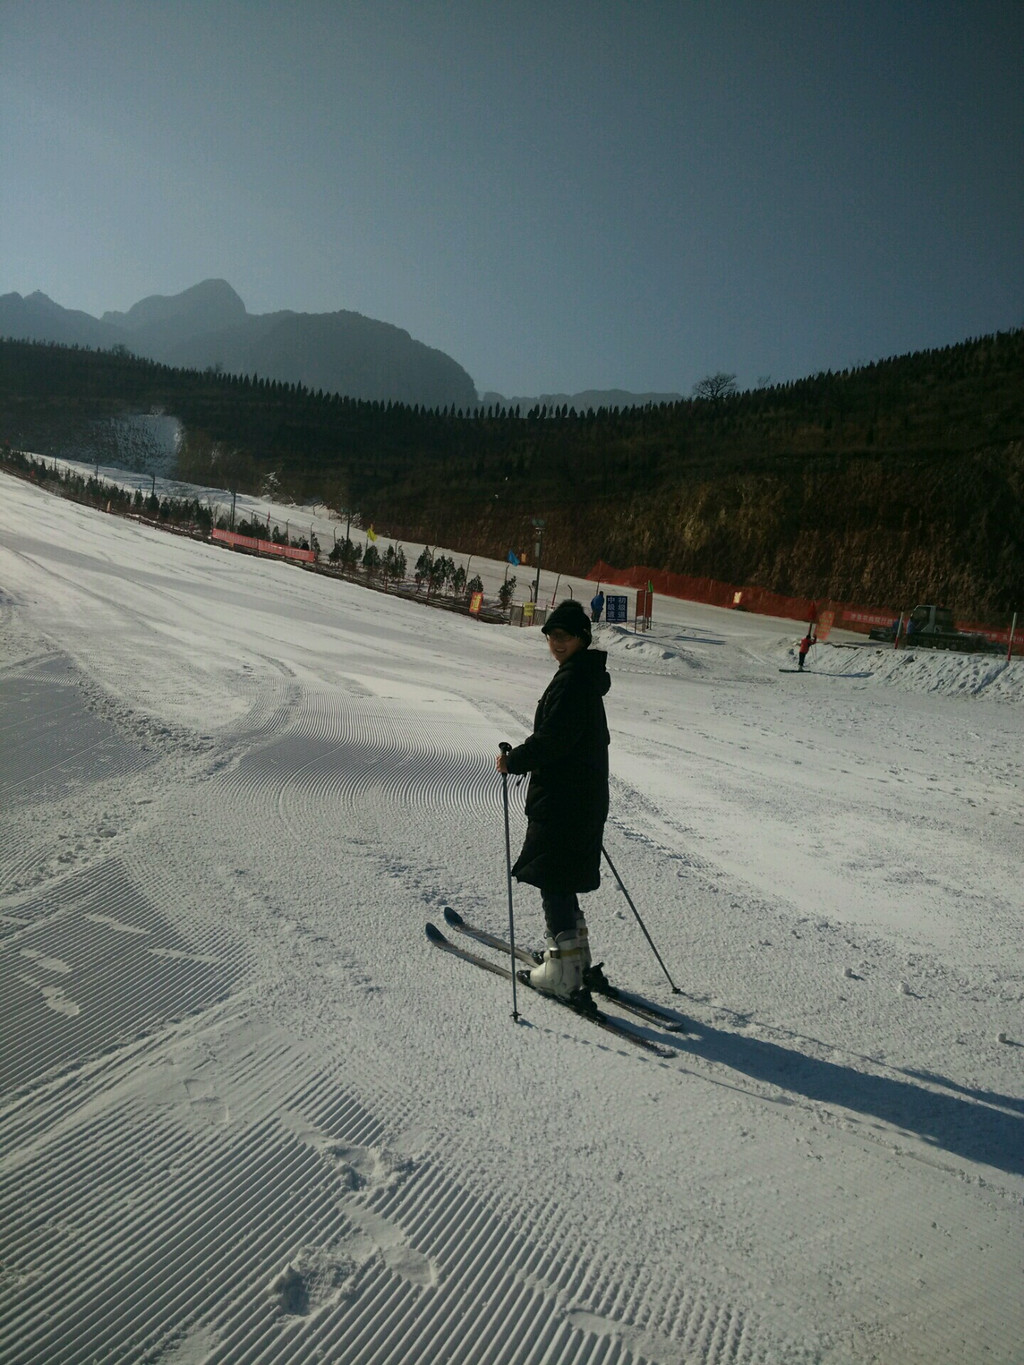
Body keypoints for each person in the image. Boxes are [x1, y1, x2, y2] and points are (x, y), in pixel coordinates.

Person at [496, 599, 611, 1000]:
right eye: (551, 636)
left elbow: (555, 739)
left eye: (564, 636)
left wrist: (515, 760)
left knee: (553, 878)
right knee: (561, 877)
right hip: (580, 797)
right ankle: (574, 955)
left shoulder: (573, 681)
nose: (556, 643)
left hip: (565, 800)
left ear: (582, 638)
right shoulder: (582, 677)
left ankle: (563, 972)